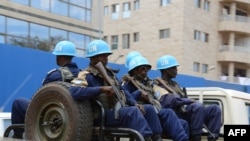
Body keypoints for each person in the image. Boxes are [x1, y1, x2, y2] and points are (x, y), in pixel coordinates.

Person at [69, 40, 163, 141]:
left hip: (116, 111)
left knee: (148, 109)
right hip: (102, 116)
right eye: (103, 56)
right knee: (133, 112)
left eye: (107, 56)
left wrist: (134, 103)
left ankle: (157, 138)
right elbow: (74, 92)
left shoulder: (110, 74)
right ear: (94, 57)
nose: (106, 59)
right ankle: (146, 138)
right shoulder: (86, 74)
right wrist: (101, 89)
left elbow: (123, 91)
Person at [11, 40, 81, 139]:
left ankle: (17, 136)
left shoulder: (54, 75)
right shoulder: (82, 75)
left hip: (53, 114)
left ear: (60, 57)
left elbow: (39, 97)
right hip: (77, 117)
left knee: (18, 103)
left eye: (57, 56)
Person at [121, 55, 189, 141]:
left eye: (147, 69)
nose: (146, 71)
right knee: (150, 109)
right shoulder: (128, 84)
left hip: (155, 112)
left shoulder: (149, 83)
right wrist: (138, 93)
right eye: (143, 69)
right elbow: (126, 101)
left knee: (178, 120)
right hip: (142, 115)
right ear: (135, 70)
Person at [155, 55, 222, 141]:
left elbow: (183, 99)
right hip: (175, 116)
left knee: (214, 109)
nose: (176, 70)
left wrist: (187, 100)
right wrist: (188, 100)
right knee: (197, 106)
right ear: (166, 70)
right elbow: (168, 101)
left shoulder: (175, 85)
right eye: (174, 68)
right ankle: (196, 137)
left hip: (187, 114)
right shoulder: (156, 85)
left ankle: (212, 138)